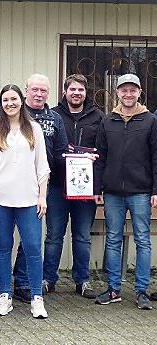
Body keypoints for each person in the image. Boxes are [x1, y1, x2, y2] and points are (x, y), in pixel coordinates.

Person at [0, 84, 50, 319]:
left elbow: (42, 166)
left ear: (21, 100)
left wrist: (42, 196)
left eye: (14, 99)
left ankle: (37, 298)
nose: (10, 103)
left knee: (32, 248)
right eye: (6, 99)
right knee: (2, 248)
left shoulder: (34, 129)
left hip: (28, 199)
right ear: (1, 103)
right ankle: (5, 295)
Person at [93, 73, 157, 310]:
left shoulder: (150, 120)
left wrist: (155, 189)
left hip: (140, 191)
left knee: (143, 240)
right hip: (112, 193)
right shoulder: (108, 121)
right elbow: (100, 157)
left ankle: (141, 291)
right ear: (117, 93)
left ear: (139, 92)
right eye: (124, 90)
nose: (128, 94)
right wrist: (98, 186)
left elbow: (155, 157)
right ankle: (113, 289)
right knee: (113, 240)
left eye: (133, 90)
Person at [45, 74, 103, 298]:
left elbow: (102, 151)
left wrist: (97, 183)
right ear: (65, 92)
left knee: (82, 237)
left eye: (80, 90)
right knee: (53, 236)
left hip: (85, 189)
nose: (76, 93)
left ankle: (83, 281)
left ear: (85, 93)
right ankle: (49, 279)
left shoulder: (98, 117)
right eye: (73, 89)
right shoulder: (53, 115)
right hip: (57, 186)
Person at [12, 74, 68, 304]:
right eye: (34, 90)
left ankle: (24, 283)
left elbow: (62, 150)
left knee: (32, 237)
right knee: (4, 238)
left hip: (47, 186)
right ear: (26, 91)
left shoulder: (54, 118)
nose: (39, 94)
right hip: (15, 184)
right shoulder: (15, 114)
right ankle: (1, 284)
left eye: (43, 91)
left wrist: (82, 165)